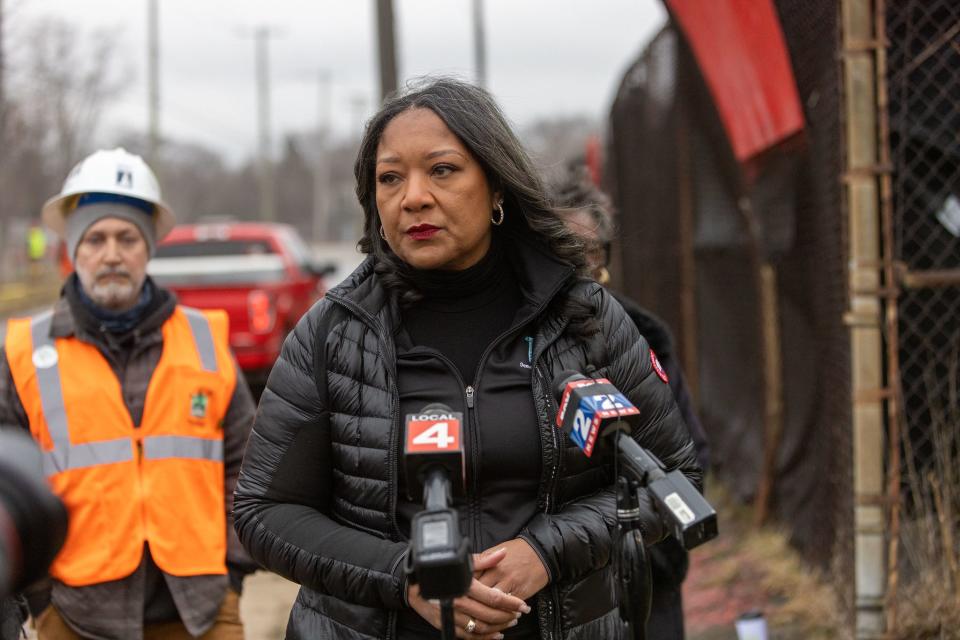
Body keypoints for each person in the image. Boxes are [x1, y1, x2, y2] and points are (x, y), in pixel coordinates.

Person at [233, 77, 702, 640]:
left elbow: (673, 476)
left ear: (497, 185)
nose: (413, 197)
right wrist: (405, 576)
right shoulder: (333, 333)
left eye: (442, 169)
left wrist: (546, 553)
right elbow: (265, 511)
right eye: (390, 178)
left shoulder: (585, 317)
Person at [0, 148, 257, 639]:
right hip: (75, 614)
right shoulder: (23, 353)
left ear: (148, 249)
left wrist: (234, 572)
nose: (112, 253)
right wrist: (37, 595)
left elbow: (246, 463)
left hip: (202, 609)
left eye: (127, 237)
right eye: (95, 238)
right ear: (73, 250)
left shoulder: (203, 340)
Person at [552, 170, 710, 639]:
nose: (575, 268)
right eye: (558, 251)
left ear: (605, 260)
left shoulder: (644, 339)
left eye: (587, 253)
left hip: (644, 581)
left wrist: (643, 551)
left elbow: (691, 461)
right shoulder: (513, 348)